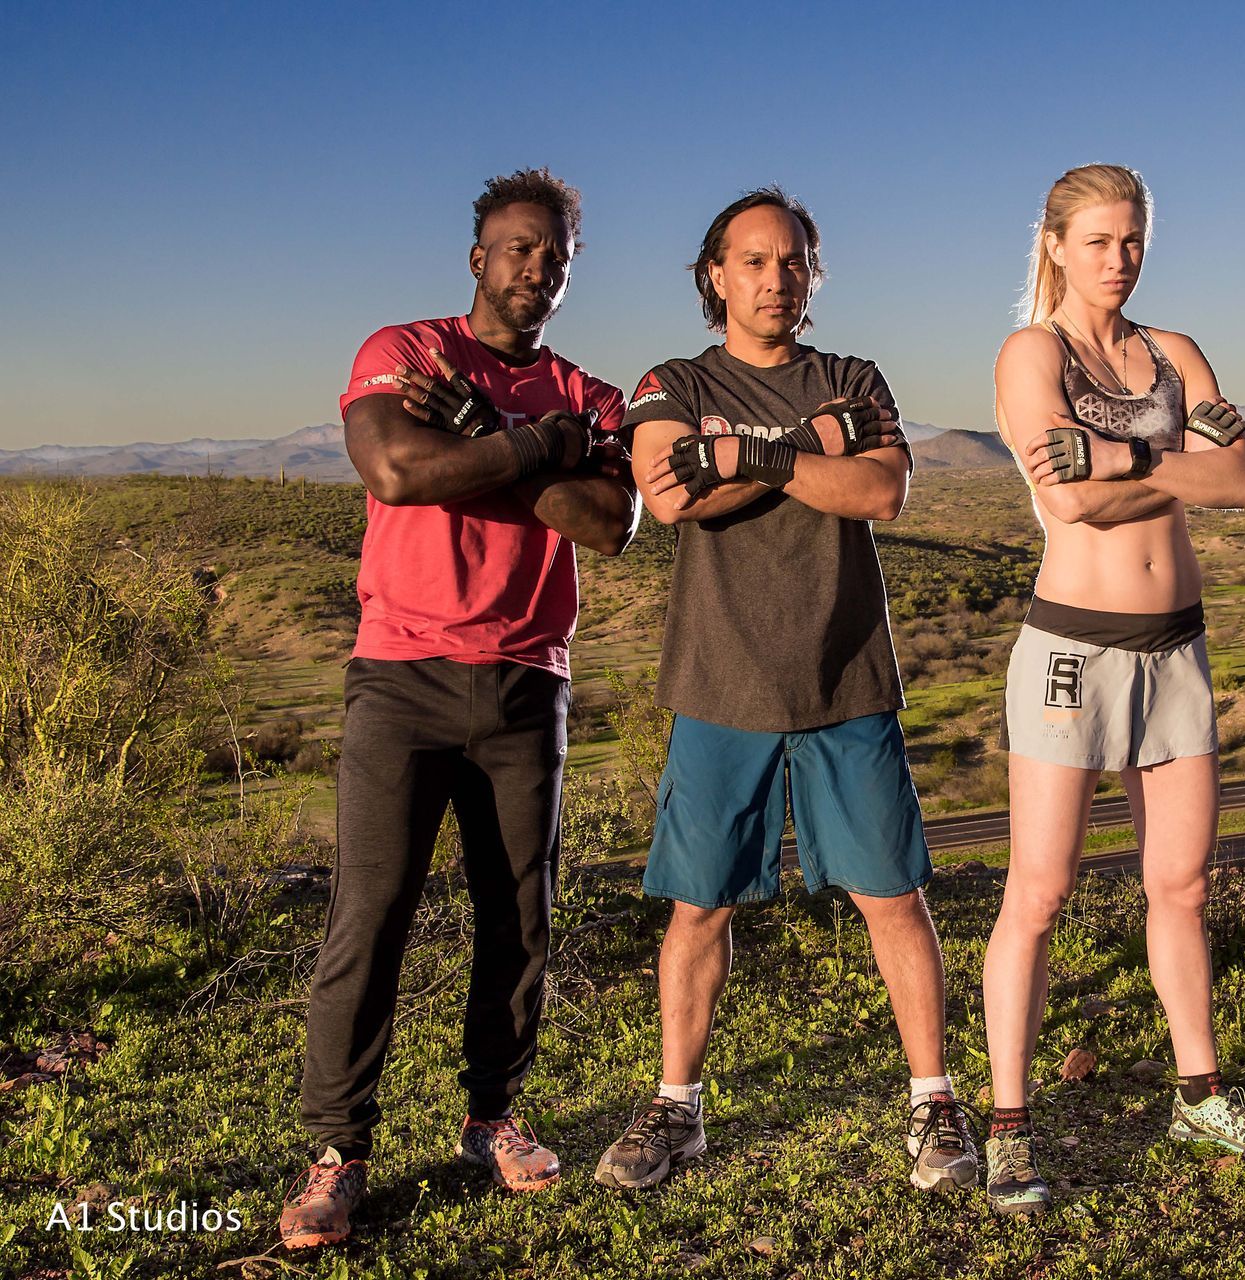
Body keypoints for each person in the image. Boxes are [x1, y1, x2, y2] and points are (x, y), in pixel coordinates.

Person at [592, 187, 978, 1196]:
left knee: (893, 894)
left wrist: (751, 451)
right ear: (714, 274)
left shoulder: (852, 375)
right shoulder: (672, 379)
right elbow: (672, 494)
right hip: (719, 682)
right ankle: (677, 1106)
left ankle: (934, 1099)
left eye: (793, 260)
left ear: (813, 275)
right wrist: (809, 446)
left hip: (846, 672)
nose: (775, 278)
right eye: (754, 261)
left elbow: (882, 491)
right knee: (700, 906)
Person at [279, 168, 638, 1250]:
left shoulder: (594, 394)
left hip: (530, 678)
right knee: (371, 911)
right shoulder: (406, 350)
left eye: (555, 256)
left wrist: (484, 439)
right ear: (478, 257)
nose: (536, 267)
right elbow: (397, 468)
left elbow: (606, 523)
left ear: (569, 276)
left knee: (516, 914)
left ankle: (491, 1117)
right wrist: (532, 443)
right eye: (518, 248)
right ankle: (337, 1151)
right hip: (403, 672)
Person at [981, 163, 1245, 1217]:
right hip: (1074, 648)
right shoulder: (1034, 353)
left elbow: (1242, 479)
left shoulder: (1173, 352)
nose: (1119, 259)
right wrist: (1165, 456)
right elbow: (1071, 507)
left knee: (1182, 885)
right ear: (1056, 243)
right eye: (1099, 240)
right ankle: (1010, 1125)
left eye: (1134, 240)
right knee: (1042, 889)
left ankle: (1201, 1094)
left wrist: (1118, 450)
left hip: (1177, 646)